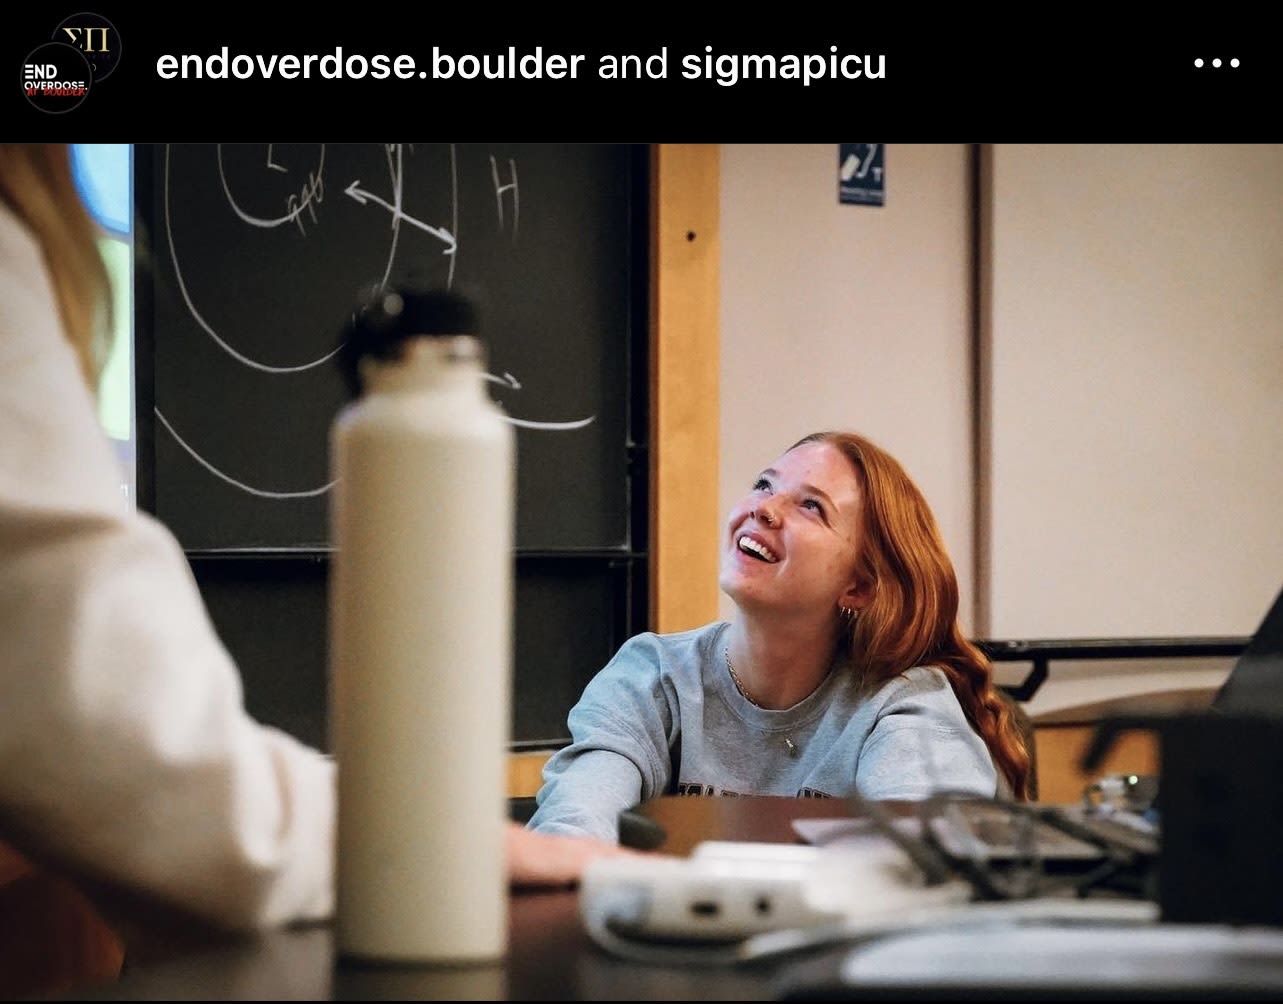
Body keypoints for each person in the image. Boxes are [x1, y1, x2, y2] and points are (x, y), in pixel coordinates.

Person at [0, 142, 628, 979]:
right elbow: (69, 685)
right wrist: (424, 846)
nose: (761, 510)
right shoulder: (656, 670)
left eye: (799, 501)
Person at [528, 430, 1033, 842]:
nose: (764, 509)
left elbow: (922, 854)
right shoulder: (652, 675)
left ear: (858, 586)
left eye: (811, 506)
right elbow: (576, 825)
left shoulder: (901, 703)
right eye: (764, 485)